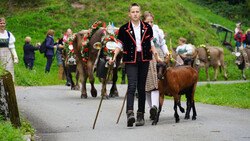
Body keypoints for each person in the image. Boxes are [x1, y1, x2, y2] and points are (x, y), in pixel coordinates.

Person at [109, 3, 161, 127]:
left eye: (137, 12)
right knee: (132, 86)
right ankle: (130, 113)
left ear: (140, 13)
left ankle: (140, 115)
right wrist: (114, 56)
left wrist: (156, 55)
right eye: (133, 12)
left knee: (142, 88)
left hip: (144, 59)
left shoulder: (147, 27)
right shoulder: (124, 29)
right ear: (129, 14)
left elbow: (151, 43)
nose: (135, 14)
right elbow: (119, 45)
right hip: (130, 59)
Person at [141, 11, 169, 120]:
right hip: (146, 58)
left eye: (151, 22)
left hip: (158, 57)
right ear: (143, 21)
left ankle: (155, 107)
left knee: (157, 84)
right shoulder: (140, 31)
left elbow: (162, 44)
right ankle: (152, 108)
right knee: (148, 85)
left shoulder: (157, 31)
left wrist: (166, 52)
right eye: (147, 22)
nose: (150, 24)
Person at [0, 17, 18, 81]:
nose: (2, 25)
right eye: (1, 23)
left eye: (3, 23)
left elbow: (12, 47)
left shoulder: (8, 34)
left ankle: (9, 87)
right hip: (0, 54)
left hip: (8, 54)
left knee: (9, 71)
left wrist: (15, 56)